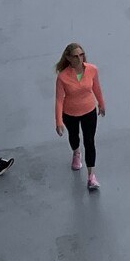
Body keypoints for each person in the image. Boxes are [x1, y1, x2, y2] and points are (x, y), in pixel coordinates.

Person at [54, 42, 105, 192]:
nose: (79, 58)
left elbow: (96, 88)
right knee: (74, 136)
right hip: (70, 113)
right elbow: (59, 99)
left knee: (90, 141)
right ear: (68, 58)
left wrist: (101, 104)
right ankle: (76, 152)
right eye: (75, 56)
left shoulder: (92, 69)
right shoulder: (63, 77)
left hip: (89, 110)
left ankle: (91, 175)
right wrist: (58, 121)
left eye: (81, 55)